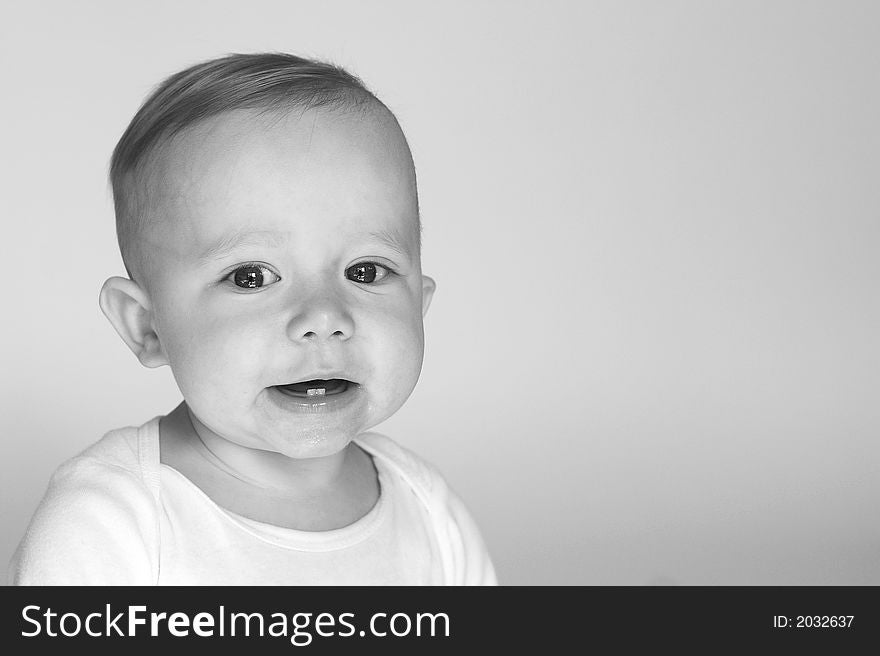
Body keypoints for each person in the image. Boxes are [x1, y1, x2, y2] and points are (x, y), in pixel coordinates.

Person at [9, 52, 497, 585]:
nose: (324, 317)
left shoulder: (428, 511)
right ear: (148, 325)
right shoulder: (111, 522)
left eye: (366, 270)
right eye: (251, 277)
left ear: (419, 305)